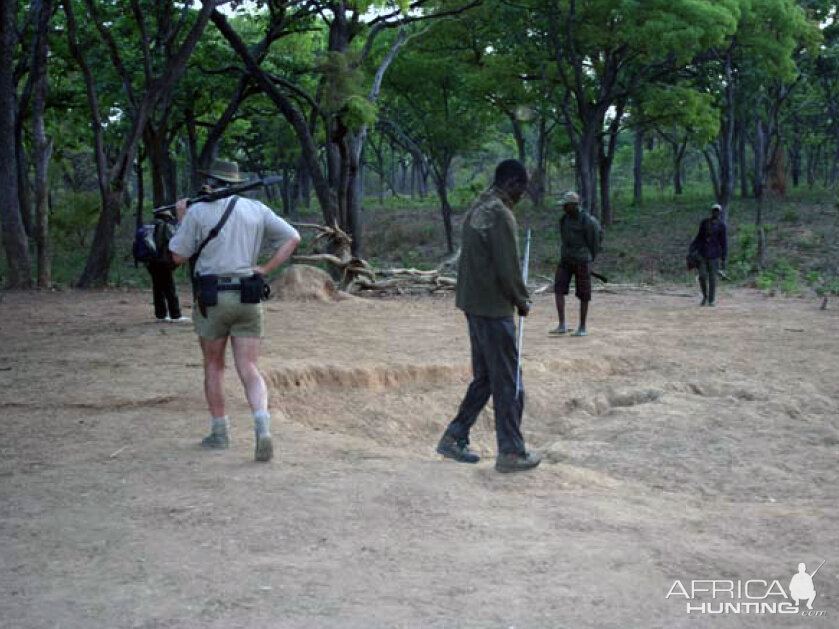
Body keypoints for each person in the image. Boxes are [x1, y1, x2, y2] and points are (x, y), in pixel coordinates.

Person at [169, 159, 301, 463]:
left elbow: (176, 256)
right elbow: (293, 237)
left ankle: (219, 431)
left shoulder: (198, 212)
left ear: (210, 183)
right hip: (248, 294)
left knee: (214, 366)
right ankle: (262, 425)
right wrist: (265, 268)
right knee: (250, 368)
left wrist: (181, 218)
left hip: (212, 297)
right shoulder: (256, 209)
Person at [436, 159, 541, 473]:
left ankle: (455, 436)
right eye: (522, 188)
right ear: (512, 183)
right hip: (494, 311)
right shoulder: (500, 215)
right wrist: (522, 300)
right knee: (509, 381)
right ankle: (511, 451)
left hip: (474, 306)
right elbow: (508, 268)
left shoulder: (478, 208)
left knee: (485, 378)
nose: (523, 195)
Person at [548, 191, 600, 337]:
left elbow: (594, 242)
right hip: (566, 259)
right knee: (558, 289)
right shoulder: (564, 220)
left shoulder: (588, 221)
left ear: (573, 205)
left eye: (566, 205)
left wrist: (589, 259)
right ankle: (562, 324)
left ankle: (582, 327)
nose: (563, 208)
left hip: (582, 261)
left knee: (584, 294)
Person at [146, 210, 188, 323]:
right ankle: (175, 315)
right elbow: (175, 238)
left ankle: (160, 315)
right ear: (165, 216)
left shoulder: (150, 226)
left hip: (151, 262)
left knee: (157, 288)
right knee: (170, 288)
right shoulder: (165, 226)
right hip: (163, 261)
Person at [691, 203, 727, 306]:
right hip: (703, 253)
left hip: (714, 255)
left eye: (717, 211)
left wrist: (724, 257)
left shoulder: (721, 226)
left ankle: (711, 300)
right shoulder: (705, 223)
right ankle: (705, 296)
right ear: (711, 211)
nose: (715, 212)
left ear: (720, 213)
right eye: (714, 210)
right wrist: (692, 248)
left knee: (712, 278)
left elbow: (723, 242)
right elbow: (699, 237)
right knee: (702, 276)